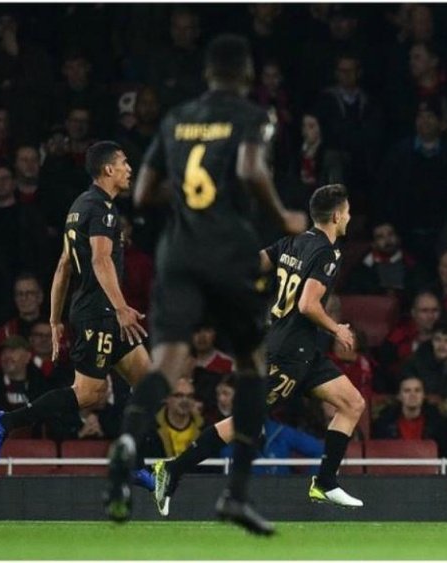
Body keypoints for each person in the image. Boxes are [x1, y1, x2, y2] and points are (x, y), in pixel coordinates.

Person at [120, 34, 306, 533]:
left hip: (177, 252)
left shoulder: (176, 118)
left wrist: (185, 199)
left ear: (206, 74)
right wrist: (281, 215)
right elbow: (248, 169)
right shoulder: (252, 116)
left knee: (167, 362)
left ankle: (127, 445)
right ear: (245, 75)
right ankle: (236, 495)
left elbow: (140, 193)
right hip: (228, 252)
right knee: (251, 365)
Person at [150, 185, 364, 518]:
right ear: (336, 216)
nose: (349, 216)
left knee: (352, 403)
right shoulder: (327, 252)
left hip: (301, 351)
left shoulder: (294, 241)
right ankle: (172, 469)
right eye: (347, 211)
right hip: (288, 354)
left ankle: (324, 481)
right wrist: (336, 328)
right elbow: (308, 304)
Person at [0, 143, 152, 495]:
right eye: (124, 163)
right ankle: (6, 420)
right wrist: (120, 307)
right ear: (108, 170)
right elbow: (100, 261)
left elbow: (63, 265)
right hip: (100, 314)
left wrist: (55, 318)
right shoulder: (103, 211)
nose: (129, 169)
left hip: (95, 311)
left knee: (147, 382)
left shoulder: (79, 207)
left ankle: (134, 464)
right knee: (88, 395)